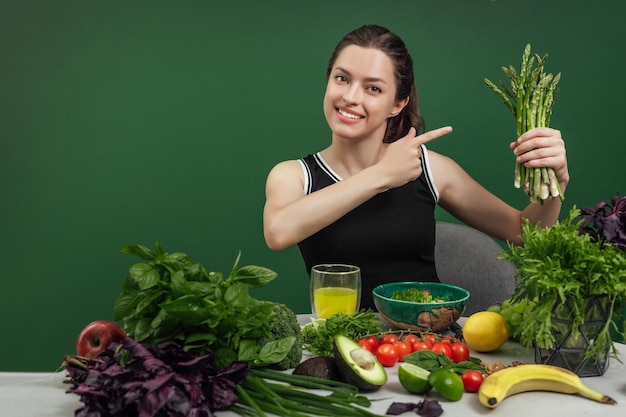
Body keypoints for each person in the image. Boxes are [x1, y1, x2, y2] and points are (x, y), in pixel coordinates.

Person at [262, 24, 569, 310]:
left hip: (426, 345)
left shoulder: (431, 169)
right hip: (341, 346)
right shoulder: (293, 175)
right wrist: (382, 175)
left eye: (373, 89)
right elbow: (278, 232)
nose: (351, 97)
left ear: (398, 104)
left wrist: (554, 187)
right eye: (342, 78)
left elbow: (524, 233)